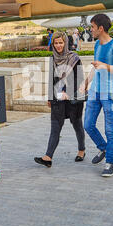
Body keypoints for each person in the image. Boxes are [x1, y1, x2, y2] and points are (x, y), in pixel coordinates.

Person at [80, 14, 113, 177]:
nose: (90, 30)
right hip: (94, 92)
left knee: (110, 129)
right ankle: (104, 147)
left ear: (100, 28)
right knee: (88, 125)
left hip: (109, 93)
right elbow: (95, 66)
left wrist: (105, 66)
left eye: (92, 27)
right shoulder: (97, 45)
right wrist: (86, 82)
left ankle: (110, 162)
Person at [34, 32, 86, 167]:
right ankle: (48, 157)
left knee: (77, 124)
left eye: (61, 42)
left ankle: (81, 150)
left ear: (66, 43)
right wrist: (50, 97)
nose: (58, 45)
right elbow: (51, 79)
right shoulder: (53, 58)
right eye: (56, 43)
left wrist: (68, 92)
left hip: (73, 98)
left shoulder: (74, 58)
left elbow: (80, 78)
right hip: (58, 98)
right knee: (55, 127)